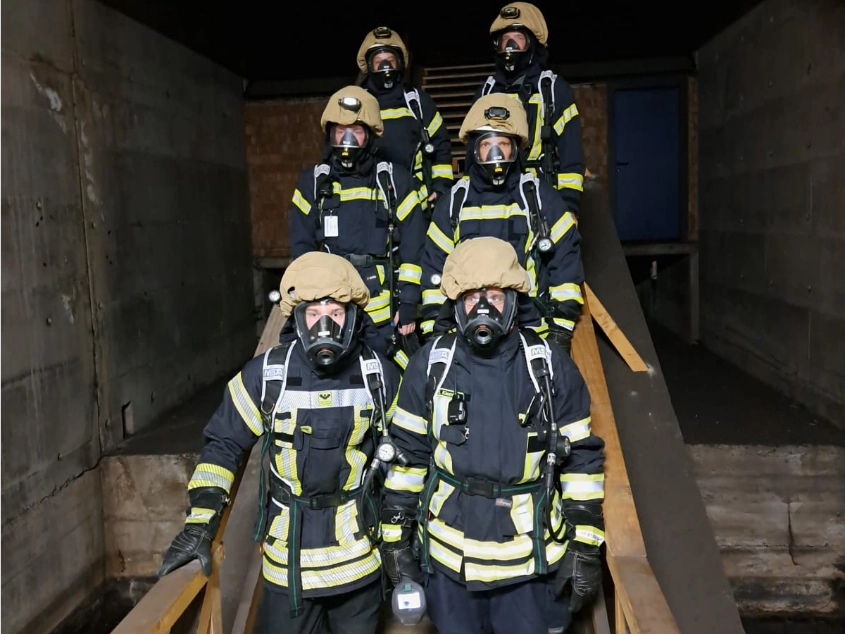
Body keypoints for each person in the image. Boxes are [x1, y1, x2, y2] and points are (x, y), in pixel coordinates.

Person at [156, 252, 402, 634]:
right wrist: (200, 526)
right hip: (289, 566)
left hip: (358, 563)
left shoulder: (380, 376)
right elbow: (222, 445)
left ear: (353, 316)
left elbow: (407, 458)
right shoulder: (266, 376)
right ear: (297, 317)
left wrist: (402, 545)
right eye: (313, 313)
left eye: (335, 313)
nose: (325, 325)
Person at [379, 237, 606, 634]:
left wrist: (585, 544)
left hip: (527, 564)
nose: (483, 309)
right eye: (471, 297)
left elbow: (582, 459)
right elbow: (408, 455)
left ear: (515, 300)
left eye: (495, 296)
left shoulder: (549, 365)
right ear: (456, 302)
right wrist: (396, 537)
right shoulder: (431, 364)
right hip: (450, 561)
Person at [419, 93, 585, 353]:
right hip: (466, 336)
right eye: (487, 145)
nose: (495, 153)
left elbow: (565, 262)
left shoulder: (540, 198)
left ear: (515, 148)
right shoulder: (454, 202)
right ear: (475, 149)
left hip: (528, 334)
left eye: (503, 144)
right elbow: (433, 268)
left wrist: (560, 329)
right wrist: (435, 331)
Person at [288, 85, 426, 370]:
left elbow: (415, 244)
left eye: (356, 132)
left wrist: (409, 303)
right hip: (333, 306)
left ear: (371, 136)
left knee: (398, 376)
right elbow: (301, 247)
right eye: (340, 131)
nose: (347, 139)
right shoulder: (313, 182)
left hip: (385, 310)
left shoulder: (393, 181)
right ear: (330, 134)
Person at [474, 2, 585, 217]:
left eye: (518, 39)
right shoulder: (485, 92)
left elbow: (571, 153)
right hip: (493, 200)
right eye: (505, 40)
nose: (510, 47)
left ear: (533, 45)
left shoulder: (553, 90)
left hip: (542, 198)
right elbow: (474, 153)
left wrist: (569, 206)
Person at [356, 26, 454, 217]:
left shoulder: (418, 102)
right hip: (368, 206)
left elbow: (441, 146)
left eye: (390, 61)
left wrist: (441, 186)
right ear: (369, 66)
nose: (385, 67)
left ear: (400, 64)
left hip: (417, 203)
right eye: (378, 62)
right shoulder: (357, 104)